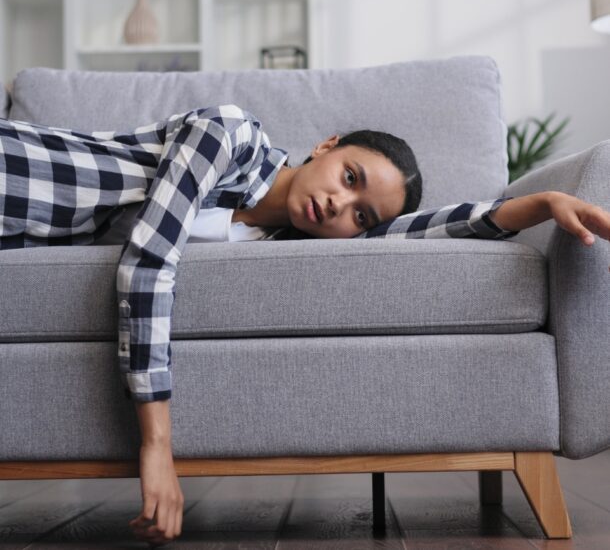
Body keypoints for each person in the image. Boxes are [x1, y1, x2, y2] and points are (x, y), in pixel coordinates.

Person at [1, 104, 609, 546]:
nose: (340, 207)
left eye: (360, 214)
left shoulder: (279, 238)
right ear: (326, 145)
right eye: (349, 177)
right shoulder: (228, 133)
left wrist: (540, 205)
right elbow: (148, 261)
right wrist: (157, 445)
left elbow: (429, 230)